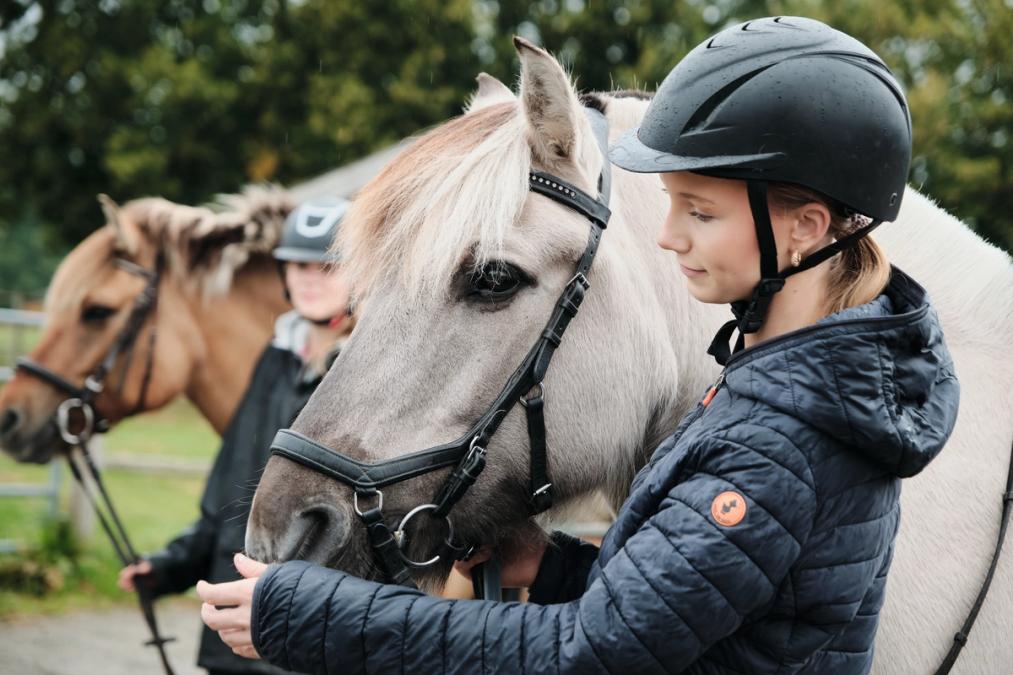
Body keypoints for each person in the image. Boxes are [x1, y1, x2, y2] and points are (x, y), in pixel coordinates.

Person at [197, 17, 960, 674]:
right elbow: (701, 618)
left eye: (697, 211)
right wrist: (550, 564)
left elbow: (595, 653)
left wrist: (314, 616)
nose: (666, 237)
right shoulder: (783, 390)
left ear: (804, 227)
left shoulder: (783, 440)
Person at [118, 198, 354, 675]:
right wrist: (171, 566)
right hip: (236, 637)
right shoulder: (274, 360)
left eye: (327, 265)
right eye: (298, 264)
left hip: (312, 640)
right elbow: (231, 493)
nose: (310, 277)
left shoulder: (365, 374)